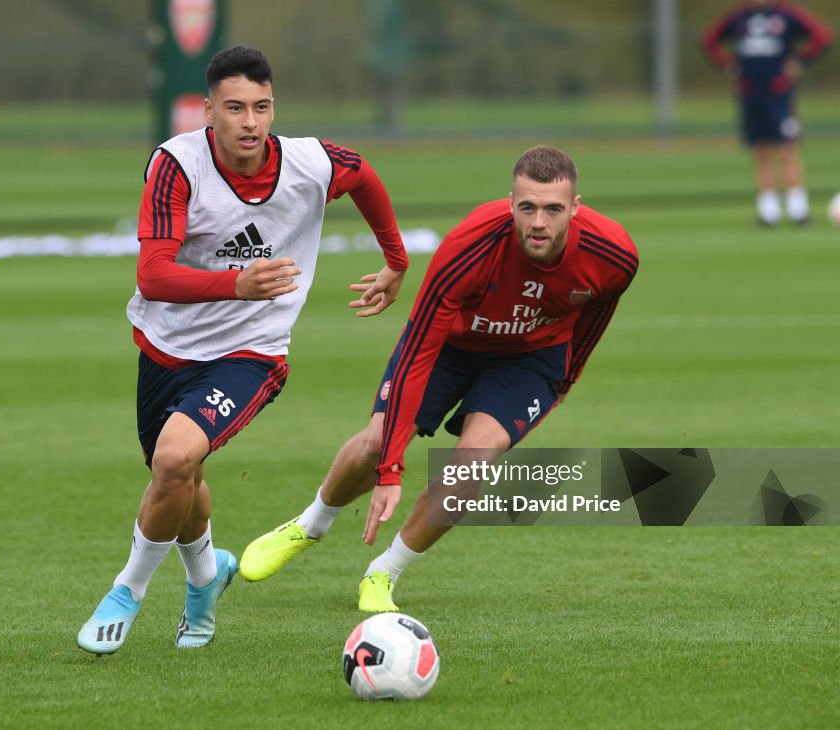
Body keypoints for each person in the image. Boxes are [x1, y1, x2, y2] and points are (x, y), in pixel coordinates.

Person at [77, 45, 408, 654]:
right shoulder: (177, 166)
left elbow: (361, 173)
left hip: (252, 353)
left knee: (175, 460)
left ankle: (128, 588)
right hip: (166, 349)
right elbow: (153, 275)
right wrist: (238, 282)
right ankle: (206, 577)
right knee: (179, 476)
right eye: (235, 108)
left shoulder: (309, 162)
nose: (250, 121)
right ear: (208, 111)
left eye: (261, 107)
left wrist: (396, 259)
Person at [240, 146, 638, 612]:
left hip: (530, 359)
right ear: (510, 202)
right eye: (527, 207)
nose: (538, 223)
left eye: (553, 209)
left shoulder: (615, 255)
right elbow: (417, 352)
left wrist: (566, 380)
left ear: (575, 207)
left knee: (472, 463)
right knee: (374, 443)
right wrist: (391, 466)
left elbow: (596, 313)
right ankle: (310, 524)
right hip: (450, 347)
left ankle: (383, 574)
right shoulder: (467, 248)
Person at [701, 0, 833, 226]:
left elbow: (822, 36)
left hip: (779, 93)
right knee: (760, 151)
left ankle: (798, 210)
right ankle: (768, 212)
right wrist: (728, 65)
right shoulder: (738, 17)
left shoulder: (787, 14)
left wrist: (799, 61)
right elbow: (708, 40)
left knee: (787, 149)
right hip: (750, 93)